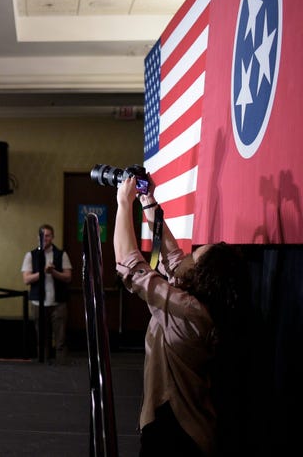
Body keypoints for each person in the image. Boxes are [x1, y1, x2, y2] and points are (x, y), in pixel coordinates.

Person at [114, 174, 245, 457]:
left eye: (195, 256)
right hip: (188, 428)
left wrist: (124, 204)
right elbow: (173, 259)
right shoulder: (202, 304)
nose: (188, 257)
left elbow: (130, 267)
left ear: (203, 276)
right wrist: (147, 201)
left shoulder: (189, 310)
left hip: (176, 434)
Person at [21, 224, 73, 364]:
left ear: (53, 237)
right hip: (38, 303)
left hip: (58, 303)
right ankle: (42, 366)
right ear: (38, 237)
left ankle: (62, 366)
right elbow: (26, 279)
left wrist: (53, 272)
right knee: (41, 339)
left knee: (60, 339)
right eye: (42, 235)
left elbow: (68, 277)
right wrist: (43, 272)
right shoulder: (30, 255)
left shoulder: (61, 254)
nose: (45, 238)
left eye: (48, 235)